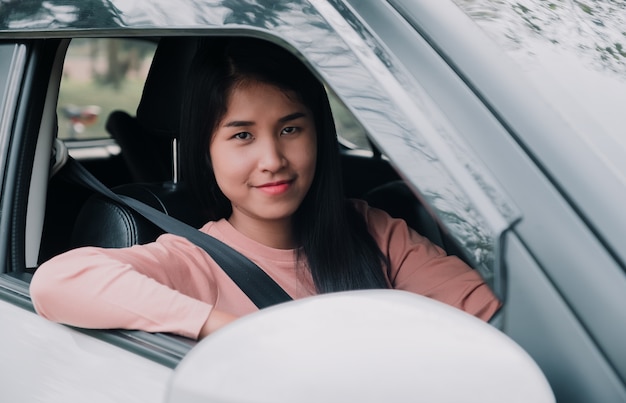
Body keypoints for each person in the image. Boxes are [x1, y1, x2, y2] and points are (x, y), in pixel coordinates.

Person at [30, 37, 500, 340]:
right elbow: (58, 282)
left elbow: (494, 320)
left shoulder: (373, 232)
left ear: (319, 132)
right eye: (242, 136)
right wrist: (231, 330)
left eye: (291, 130)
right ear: (206, 150)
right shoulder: (193, 262)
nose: (273, 160)